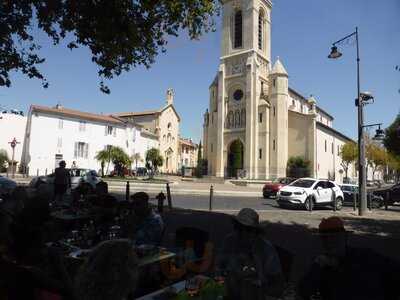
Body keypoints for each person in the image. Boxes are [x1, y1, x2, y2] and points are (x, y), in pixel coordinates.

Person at [298, 216, 400, 300]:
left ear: (344, 238)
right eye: (325, 238)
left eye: (334, 238)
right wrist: (317, 265)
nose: (329, 242)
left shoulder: (366, 256)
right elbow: (304, 291)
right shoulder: (322, 265)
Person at [218, 208, 285, 300]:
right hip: (230, 291)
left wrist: (258, 282)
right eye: (240, 228)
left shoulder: (266, 249)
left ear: (256, 231)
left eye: (248, 230)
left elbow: (278, 283)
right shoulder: (230, 241)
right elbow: (219, 266)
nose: (244, 233)